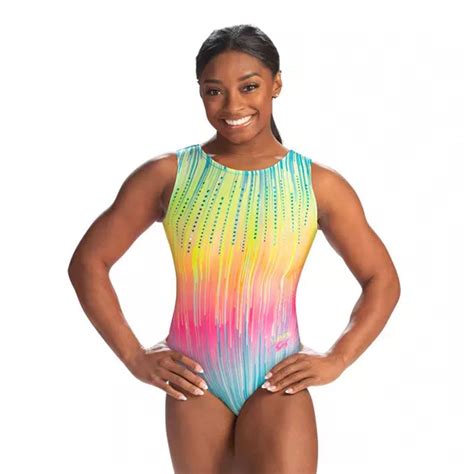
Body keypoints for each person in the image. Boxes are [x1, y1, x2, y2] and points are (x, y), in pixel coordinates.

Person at [68, 23, 401, 474]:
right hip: (195, 384)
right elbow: (88, 262)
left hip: (276, 381)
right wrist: (133, 356)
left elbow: (382, 279)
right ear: (200, 92)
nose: (232, 106)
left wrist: (338, 358)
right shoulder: (169, 176)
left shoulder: (317, 186)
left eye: (249, 87)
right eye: (214, 91)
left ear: (276, 84)